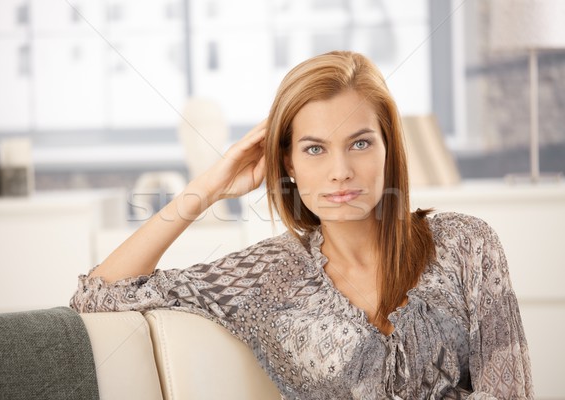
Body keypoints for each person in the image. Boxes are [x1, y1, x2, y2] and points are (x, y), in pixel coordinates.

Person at [71, 51, 533, 399]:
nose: (340, 171)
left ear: (389, 148)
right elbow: (98, 295)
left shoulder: (465, 244)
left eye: (360, 143)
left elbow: (511, 389)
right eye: (315, 148)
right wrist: (209, 185)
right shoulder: (267, 277)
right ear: (287, 162)